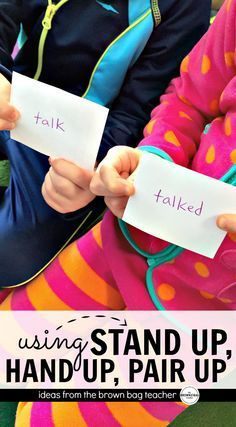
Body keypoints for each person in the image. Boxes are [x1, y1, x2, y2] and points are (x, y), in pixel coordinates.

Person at [1, 0, 236, 424]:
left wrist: (97, 155)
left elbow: (138, 105)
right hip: (125, 239)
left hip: (201, 327)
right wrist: (147, 159)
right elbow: (185, 100)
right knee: (9, 351)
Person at [0, 0, 211, 287]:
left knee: (12, 254)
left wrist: (94, 167)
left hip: (79, 141)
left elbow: (139, 107)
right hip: (12, 91)